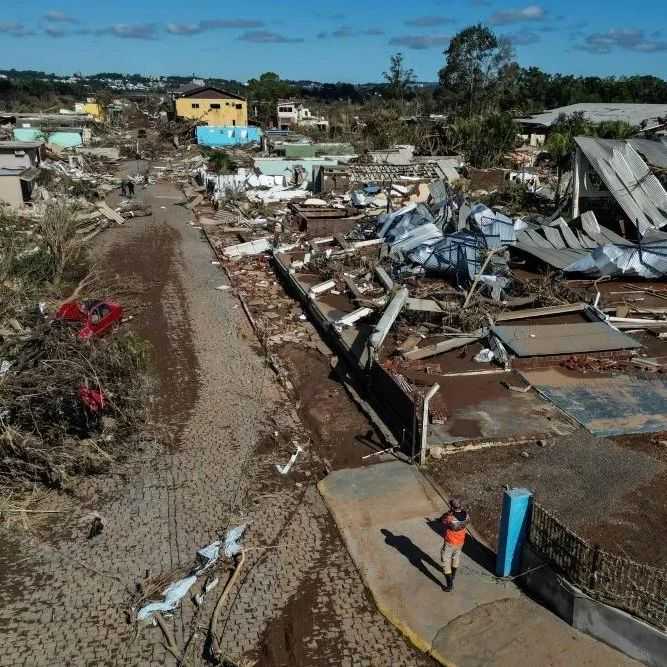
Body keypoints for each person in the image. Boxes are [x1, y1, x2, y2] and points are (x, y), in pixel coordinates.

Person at [441, 497, 469, 592]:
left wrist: (449, 513)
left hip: (450, 543)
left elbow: (443, 521)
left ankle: (449, 585)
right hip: (461, 542)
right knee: (456, 558)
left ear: (452, 507)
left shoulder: (450, 517)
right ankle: (453, 576)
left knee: (445, 561)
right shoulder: (466, 515)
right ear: (460, 505)